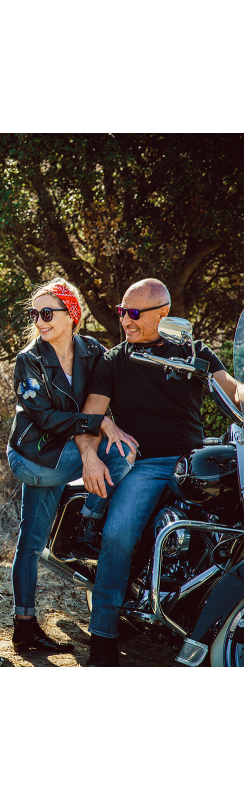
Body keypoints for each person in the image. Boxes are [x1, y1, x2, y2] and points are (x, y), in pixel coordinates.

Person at [76, 278, 243, 667]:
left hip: (197, 459)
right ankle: (103, 638)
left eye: (134, 313)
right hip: (148, 462)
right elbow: (89, 418)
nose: (125, 321)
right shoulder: (114, 360)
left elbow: (232, 389)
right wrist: (89, 457)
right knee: (118, 535)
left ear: (164, 314)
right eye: (122, 312)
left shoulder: (193, 352)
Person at [6, 279, 138, 654]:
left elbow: (115, 387)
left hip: (62, 452)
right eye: (34, 314)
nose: (39, 321)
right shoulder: (29, 359)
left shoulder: (93, 351)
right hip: (33, 457)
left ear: (71, 315)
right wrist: (99, 423)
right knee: (122, 453)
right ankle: (86, 524)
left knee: (30, 544)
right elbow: (46, 418)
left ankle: (24, 627)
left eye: (47, 313)